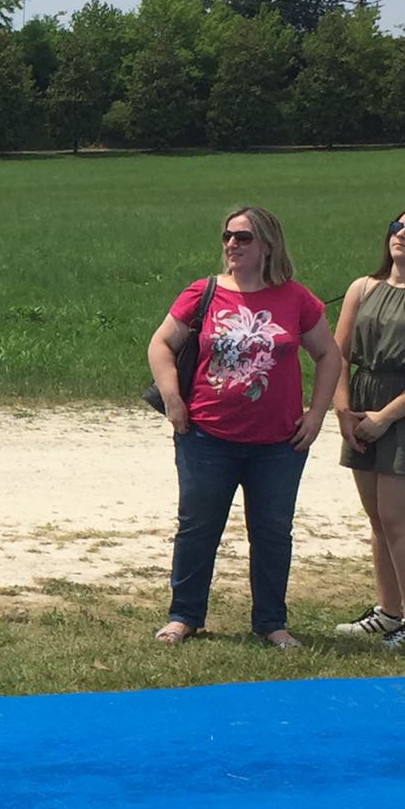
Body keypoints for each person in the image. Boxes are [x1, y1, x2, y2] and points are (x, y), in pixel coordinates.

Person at [147, 205, 340, 650]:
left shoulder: (296, 298)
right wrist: (174, 399)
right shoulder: (205, 292)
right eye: (227, 236)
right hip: (206, 435)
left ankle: (272, 622)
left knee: (272, 532)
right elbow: (161, 343)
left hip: (278, 443)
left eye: (244, 237)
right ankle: (184, 616)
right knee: (198, 526)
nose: (232, 244)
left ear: (268, 245)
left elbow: (329, 356)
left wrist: (316, 414)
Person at [333, 205, 405, 649]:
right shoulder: (363, 288)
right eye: (397, 225)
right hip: (361, 411)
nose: (402, 234)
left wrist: (386, 417)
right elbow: (339, 355)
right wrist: (344, 411)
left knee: (398, 519)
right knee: (377, 520)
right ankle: (388, 612)